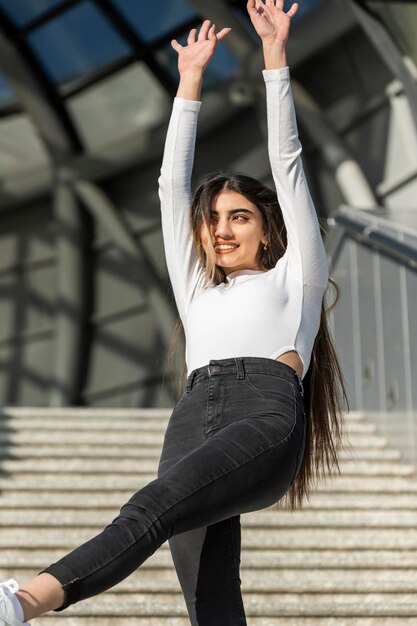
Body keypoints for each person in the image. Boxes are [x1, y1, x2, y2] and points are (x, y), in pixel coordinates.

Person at [0, 2, 347, 625]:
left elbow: (288, 163)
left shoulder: (296, 276)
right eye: (211, 220)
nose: (220, 231)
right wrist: (188, 81)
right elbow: (170, 185)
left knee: (150, 508)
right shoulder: (196, 290)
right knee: (208, 597)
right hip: (192, 415)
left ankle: (25, 601)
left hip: (263, 412)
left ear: (269, 230)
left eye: (238, 216)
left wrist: (274, 58)